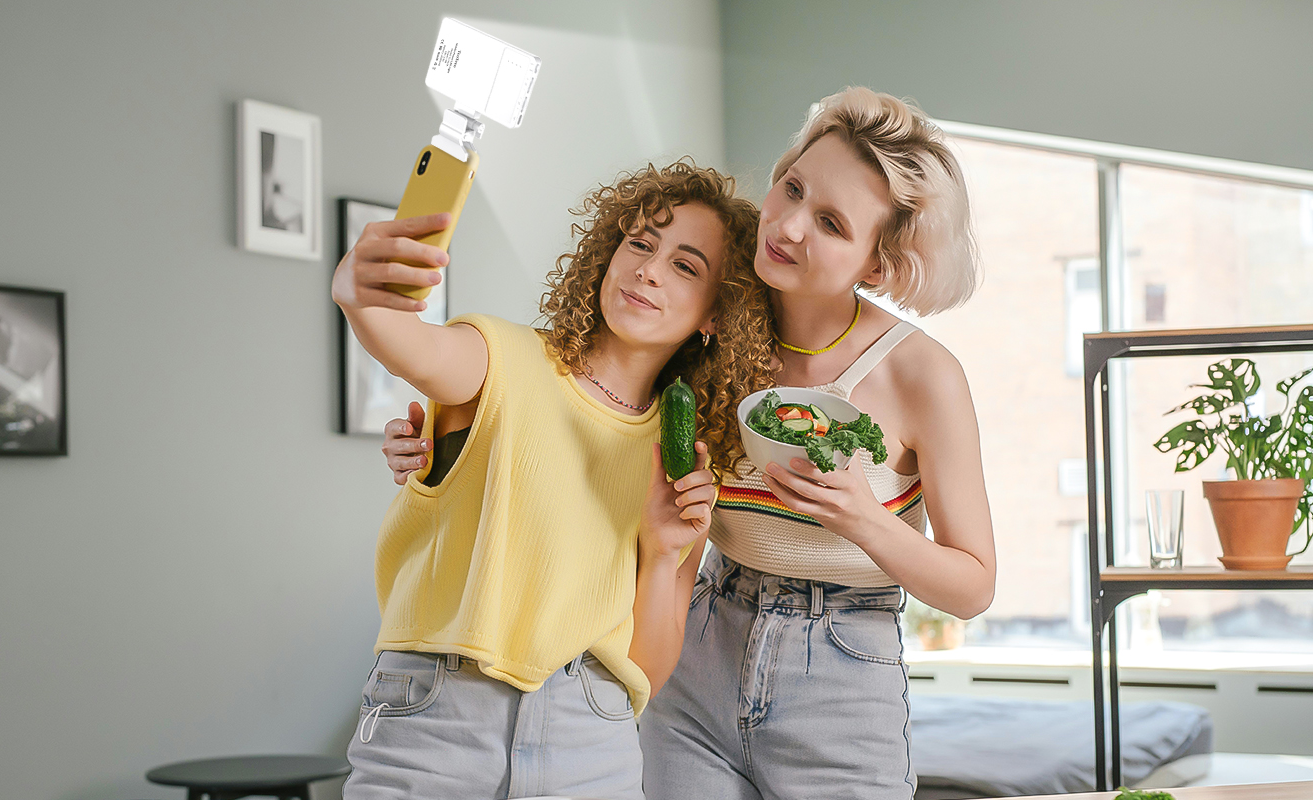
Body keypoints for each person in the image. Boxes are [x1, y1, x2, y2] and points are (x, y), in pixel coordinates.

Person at [383, 87, 997, 799]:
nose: (790, 225)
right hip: (703, 643)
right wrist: (448, 446)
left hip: (843, 663)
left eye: (830, 222)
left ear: (876, 265)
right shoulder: (705, 329)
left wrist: (863, 519)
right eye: (791, 189)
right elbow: (572, 408)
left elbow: (974, 583)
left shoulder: (921, 376)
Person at [333, 160, 775, 800]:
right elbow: (411, 343)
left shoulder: (685, 463)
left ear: (715, 314)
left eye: (685, 266)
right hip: (440, 716)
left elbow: (644, 669)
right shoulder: (499, 357)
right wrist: (360, 295)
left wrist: (663, 552)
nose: (649, 269)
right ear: (610, 255)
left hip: (590, 737)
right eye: (641, 244)